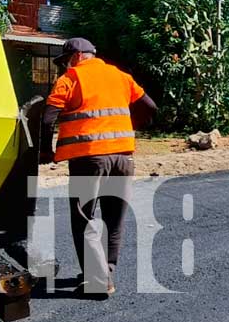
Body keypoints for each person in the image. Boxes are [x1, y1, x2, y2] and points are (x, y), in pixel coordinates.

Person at [41, 38, 157, 296]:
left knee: (84, 218)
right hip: (123, 159)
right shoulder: (120, 76)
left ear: (77, 56)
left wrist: (45, 150)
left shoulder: (70, 79)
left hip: (89, 159)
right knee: (114, 220)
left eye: (66, 60)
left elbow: (48, 117)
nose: (65, 65)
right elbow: (150, 107)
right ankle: (106, 274)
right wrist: (129, 128)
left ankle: (97, 281)